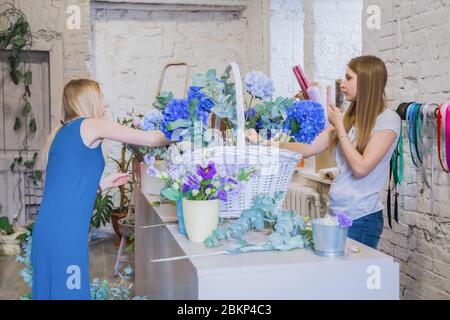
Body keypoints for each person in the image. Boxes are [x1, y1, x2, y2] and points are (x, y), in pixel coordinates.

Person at [31, 79, 169, 299]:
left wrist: (102, 185)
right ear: (89, 100)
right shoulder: (91, 124)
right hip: (65, 235)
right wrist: (183, 128)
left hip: (47, 232)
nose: (106, 103)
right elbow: (150, 139)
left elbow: (65, 186)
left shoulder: (62, 132)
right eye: (101, 97)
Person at [247, 55, 401, 249]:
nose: (342, 84)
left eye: (348, 78)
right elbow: (308, 148)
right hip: (335, 212)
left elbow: (360, 168)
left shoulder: (388, 120)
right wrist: (266, 143)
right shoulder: (349, 119)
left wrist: (340, 128)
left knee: (351, 278)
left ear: (367, 81)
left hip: (361, 218)